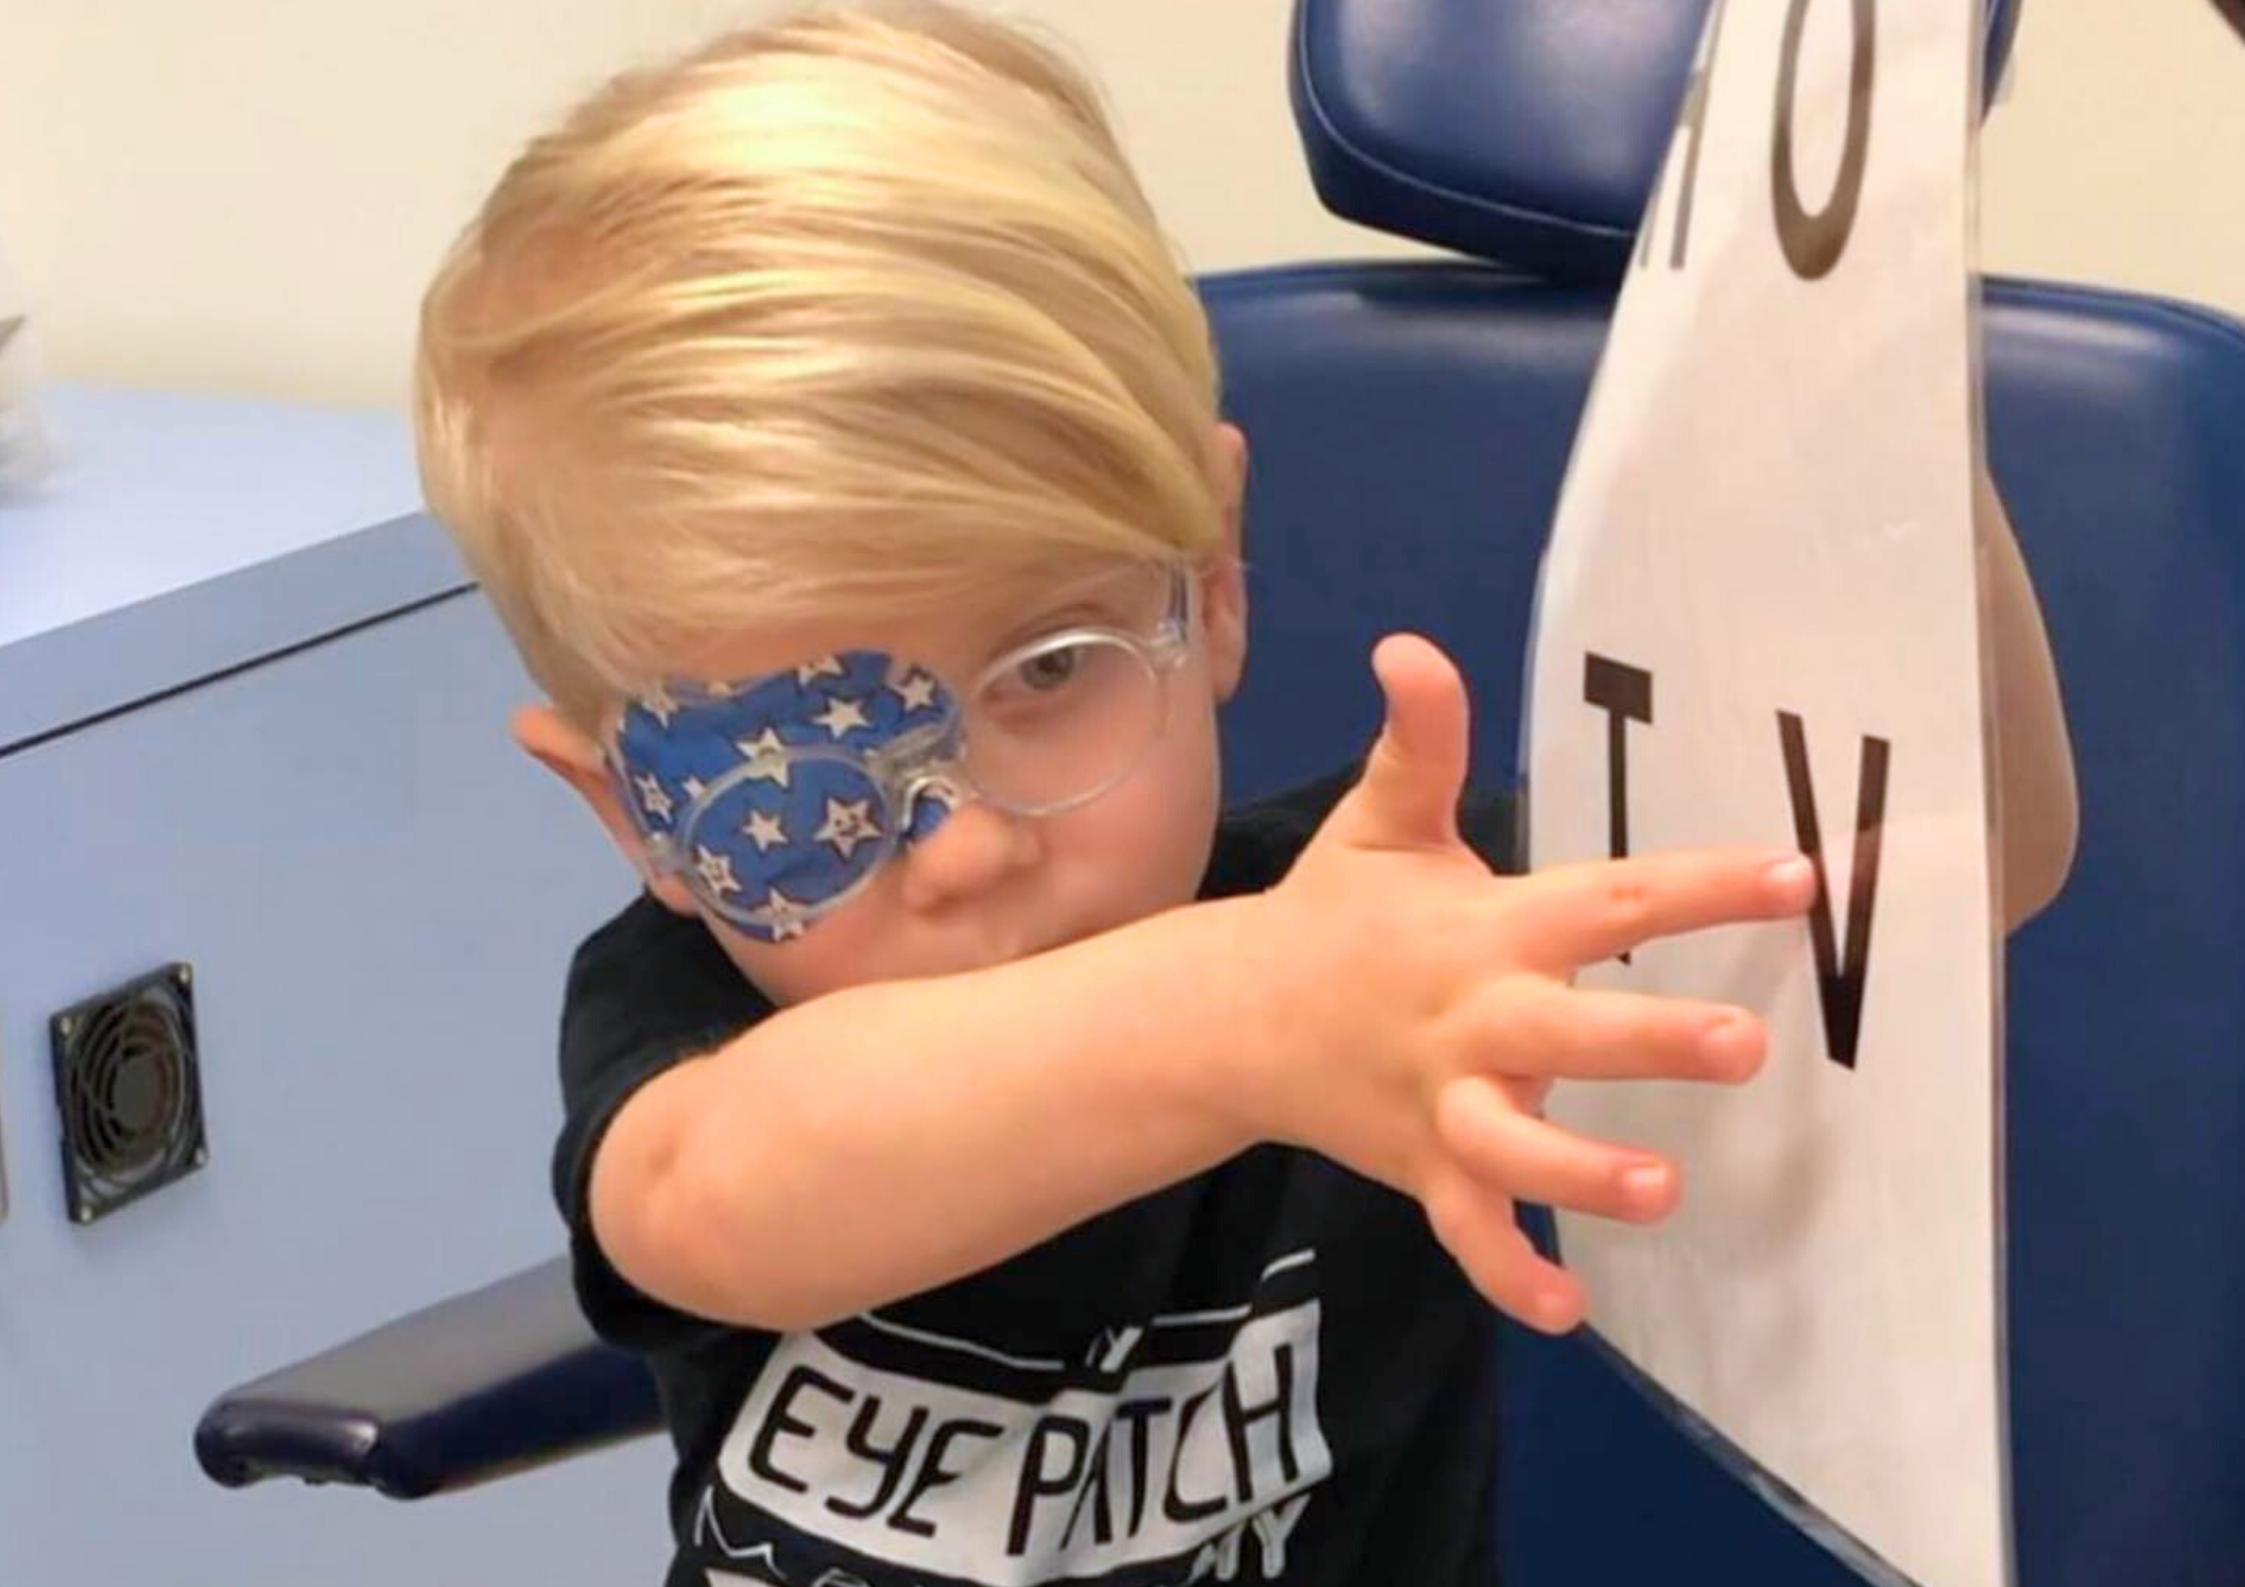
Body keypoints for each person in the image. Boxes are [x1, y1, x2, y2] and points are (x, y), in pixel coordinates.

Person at [409, 4, 2075, 1581]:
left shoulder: (1401, 945)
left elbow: (1958, 864)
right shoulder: (699, 1031)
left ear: (1211, 586)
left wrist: (1892, 420)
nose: (969, 841)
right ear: (637, 821)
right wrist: (1264, 1019)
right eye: (799, 774)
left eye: (1047, 669)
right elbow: (716, 1196)